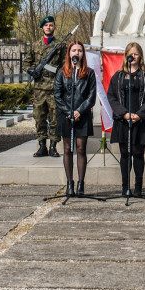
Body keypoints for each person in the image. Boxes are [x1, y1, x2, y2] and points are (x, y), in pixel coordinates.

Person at [107, 42, 145, 197]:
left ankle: (138, 187)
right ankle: (125, 186)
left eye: (136, 54)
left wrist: (139, 114)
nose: (133, 57)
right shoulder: (119, 75)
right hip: (124, 120)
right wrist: (124, 113)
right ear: (126, 56)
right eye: (130, 54)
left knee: (138, 153)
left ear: (140, 56)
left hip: (139, 120)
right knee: (125, 154)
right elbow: (112, 96)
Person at [53, 41, 96, 196]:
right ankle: (69, 183)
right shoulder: (62, 72)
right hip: (66, 115)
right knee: (67, 149)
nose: (76, 53)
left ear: (83, 54)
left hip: (82, 116)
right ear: (69, 53)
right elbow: (57, 95)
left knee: (81, 149)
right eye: (73, 50)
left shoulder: (89, 73)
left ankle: (81, 184)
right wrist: (68, 112)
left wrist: (79, 111)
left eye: (79, 50)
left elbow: (91, 97)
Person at [27, 16, 64, 158]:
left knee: (55, 118)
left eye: (51, 25)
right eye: (46, 25)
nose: (48, 27)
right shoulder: (35, 45)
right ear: (42, 27)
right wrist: (32, 70)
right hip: (39, 89)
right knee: (39, 118)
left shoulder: (60, 45)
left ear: (54, 27)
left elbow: (63, 66)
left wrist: (51, 68)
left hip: (54, 88)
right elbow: (26, 63)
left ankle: (53, 147)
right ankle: (42, 146)